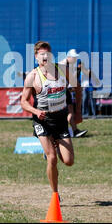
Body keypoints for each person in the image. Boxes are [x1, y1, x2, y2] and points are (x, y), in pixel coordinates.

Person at [20, 41, 74, 196]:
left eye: (47, 54)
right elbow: (23, 101)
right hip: (43, 120)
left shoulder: (62, 70)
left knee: (69, 161)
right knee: (52, 158)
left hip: (61, 119)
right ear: (36, 57)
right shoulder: (32, 76)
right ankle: (55, 195)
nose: (45, 57)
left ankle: (54, 147)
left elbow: (76, 87)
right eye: (41, 54)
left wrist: (77, 112)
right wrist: (35, 111)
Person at [59, 49, 96, 138]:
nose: (75, 59)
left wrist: (71, 87)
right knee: (64, 112)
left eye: (76, 57)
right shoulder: (62, 65)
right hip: (60, 91)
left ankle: (74, 130)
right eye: (74, 57)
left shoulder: (71, 66)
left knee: (70, 110)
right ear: (69, 57)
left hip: (65, 90)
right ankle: (69, 131)